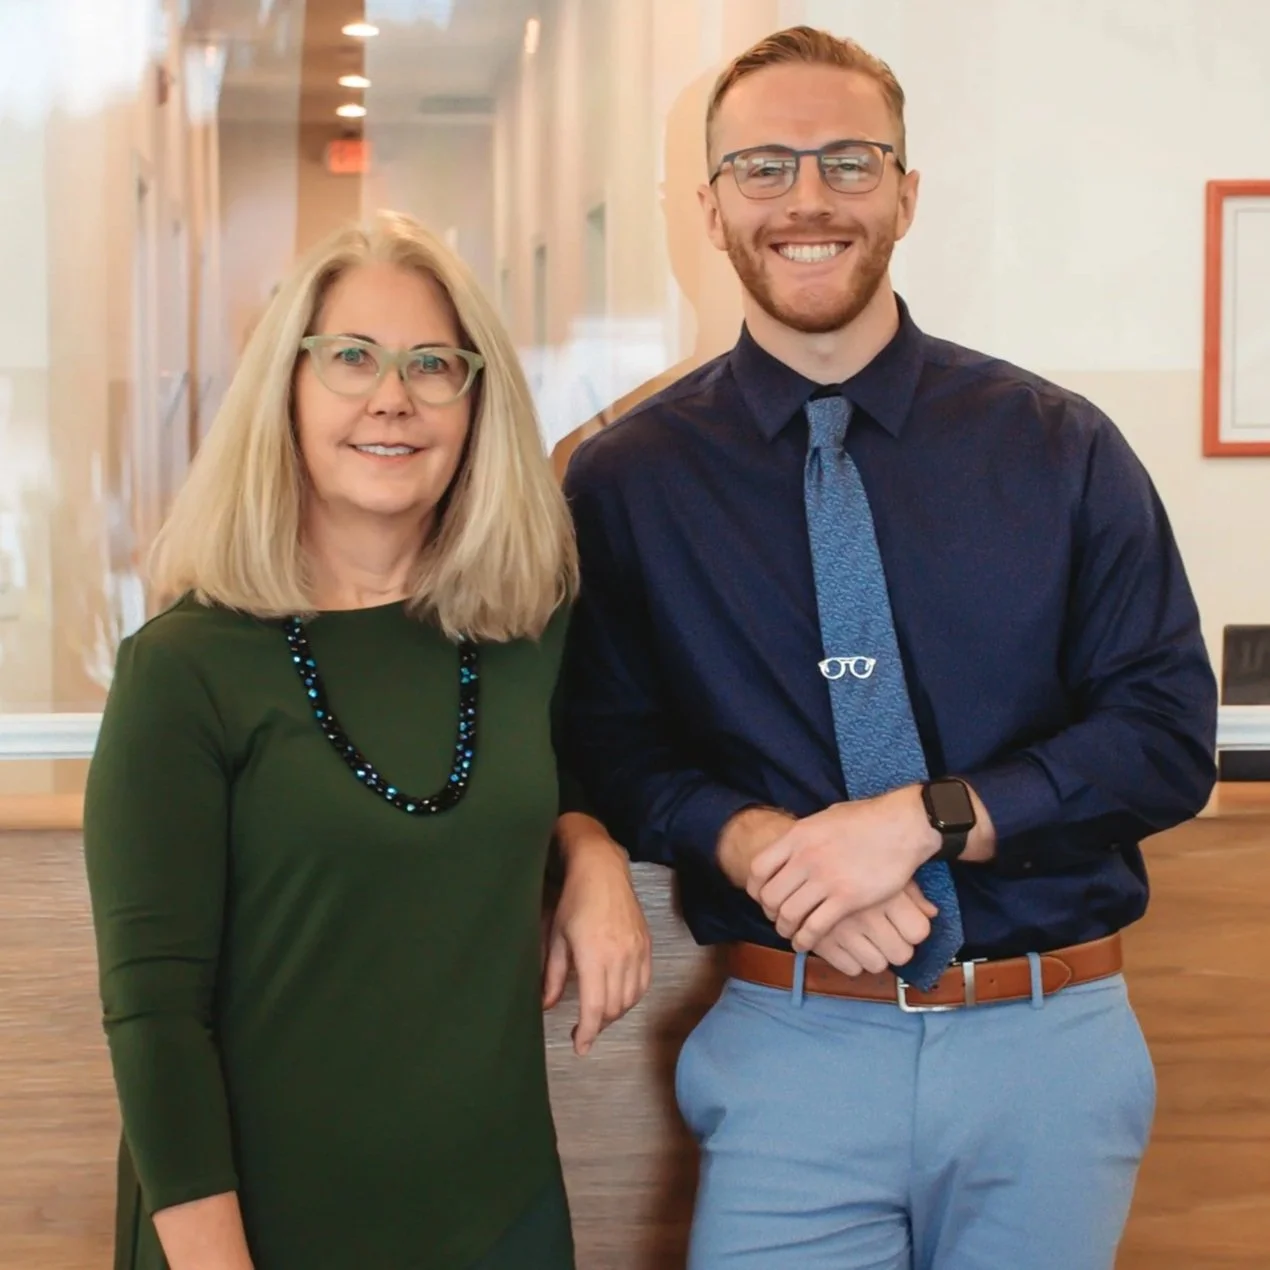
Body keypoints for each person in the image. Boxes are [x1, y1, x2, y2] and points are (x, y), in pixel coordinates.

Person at [560, 25, 1217, 1270]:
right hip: (792, 1043)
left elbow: (1165, 736)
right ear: (708, 207)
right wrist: (752, 843)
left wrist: (923, 817)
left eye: (848, 163)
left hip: (1050, 1052)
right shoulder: (625, 482)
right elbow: (605, 741)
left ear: (905, 195)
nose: (807, 198)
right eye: (763, 167)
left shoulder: (1062, 449)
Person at [83, 210, 651, 1270]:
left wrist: (591, 844)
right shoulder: (185, 666)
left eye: (433, 364)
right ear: (285, 392)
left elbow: (577, 766)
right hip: (254, 1232)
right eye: (351, 357)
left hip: (497, 1214)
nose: (393, 395)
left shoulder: (528, 632)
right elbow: (154, 1013)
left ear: (476, 403)